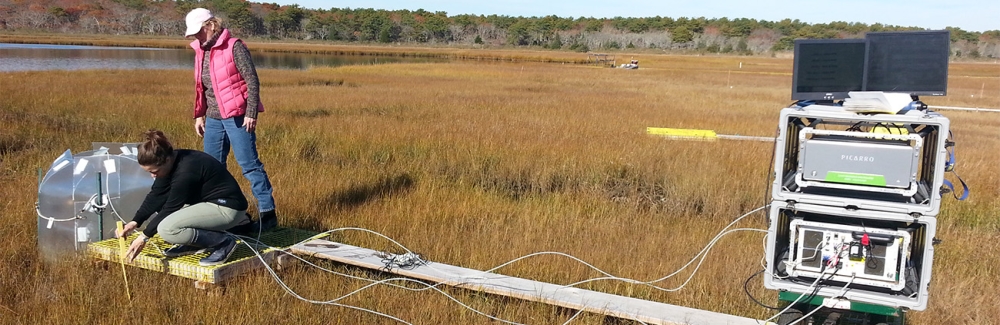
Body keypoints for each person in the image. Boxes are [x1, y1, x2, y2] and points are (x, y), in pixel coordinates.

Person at [184, 7, 278, 232]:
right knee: (211, 168)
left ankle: (268, 214)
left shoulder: (234, 46)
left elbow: (252, 80)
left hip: (238, 116)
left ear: (211, 25)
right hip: (214, 118)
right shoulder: (200, 50)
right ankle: (223, 214)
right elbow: (201, 86)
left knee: (249, 166)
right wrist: (199, 114)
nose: (196, 36)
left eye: (198, 31)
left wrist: (251, 112)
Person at [117, 129, 251, 266]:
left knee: (167, 229)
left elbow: (170, 207)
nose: (152, 176)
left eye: (154, 171)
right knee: (165, 218)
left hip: (228, 209)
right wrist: (135, 222)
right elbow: (156, 195)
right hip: (207, 204)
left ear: (167, 160)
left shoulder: (186, 170)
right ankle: (194, 244)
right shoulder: (170, 162)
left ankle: (224, 242)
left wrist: (144, 237)